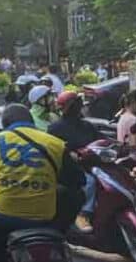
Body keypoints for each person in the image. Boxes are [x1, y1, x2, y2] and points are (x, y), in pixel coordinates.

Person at [0, 104, 85, 262]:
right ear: (31, 120)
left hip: (2, 217)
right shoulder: (56, 144)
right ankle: (61, 235)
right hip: (45, 219)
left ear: (4, 124)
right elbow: (77, 181)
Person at [48, 91, 100, 232]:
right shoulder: (55, 128)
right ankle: (83, 214)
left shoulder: (87, 126)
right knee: (89, 181)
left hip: (91, 164)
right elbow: (54, 150)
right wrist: (70, 154)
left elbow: (100, 141)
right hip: (69, 168)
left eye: (78, 104)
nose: (78, 107)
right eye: (74, 105)